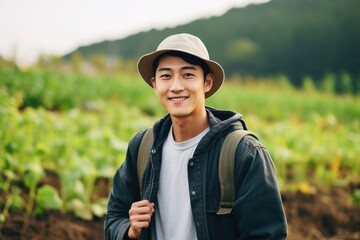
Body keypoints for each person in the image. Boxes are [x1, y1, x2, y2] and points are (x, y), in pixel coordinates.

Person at [104, 33, 287, 240]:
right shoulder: (142, 147)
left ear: (207, 82)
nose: (176, 86)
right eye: (166, 76)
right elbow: (114, 217)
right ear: (155, 84)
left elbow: (267, 235)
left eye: (188, 75)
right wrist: (129, 230)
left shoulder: (243, 153)